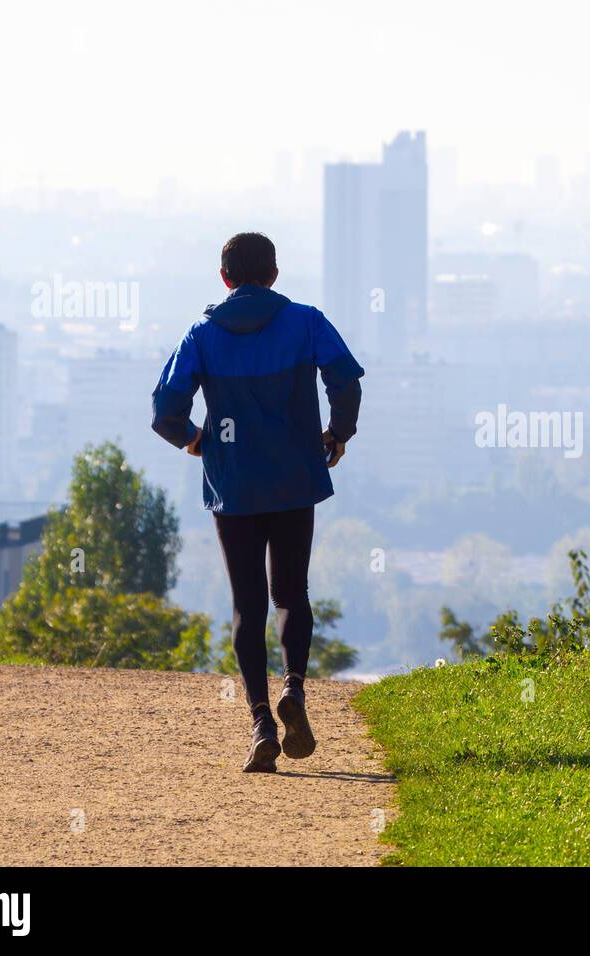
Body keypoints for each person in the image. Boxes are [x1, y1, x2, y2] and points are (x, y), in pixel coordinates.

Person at [151, 232, 364, 772]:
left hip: (234, 485)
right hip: (295, 476)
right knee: (290, 592)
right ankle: (294, 686)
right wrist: (337, 432)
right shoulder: (306, 321)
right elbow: (346, 380)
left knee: (248, 605)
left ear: (225, 278)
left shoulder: (202, 333)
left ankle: (261, 724)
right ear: (273, 274)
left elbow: (164, 409)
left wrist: (195, 439)